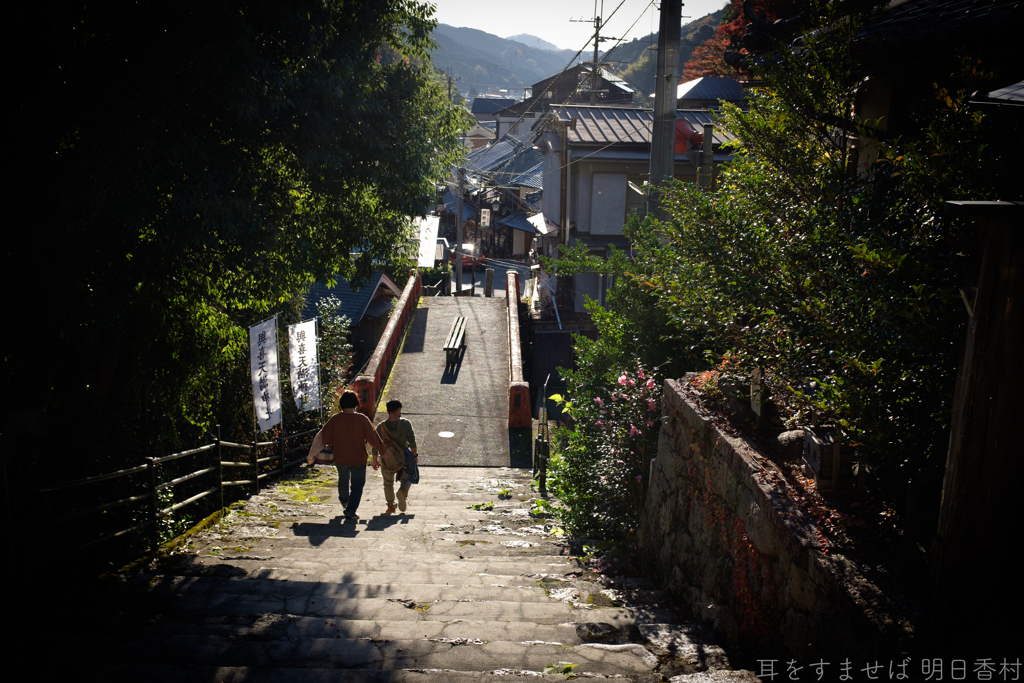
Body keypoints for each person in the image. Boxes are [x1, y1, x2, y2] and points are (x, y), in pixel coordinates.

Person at [314, 390, 385, 521]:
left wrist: (312, 454)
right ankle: (351, 510)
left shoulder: (335, 419)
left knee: (343, 481)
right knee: (357, 486)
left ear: (341, 404)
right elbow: (373, 437)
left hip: (341, 457)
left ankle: (345, 502)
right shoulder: (362, 419)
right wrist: (383, 450)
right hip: (359, 458)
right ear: (356, 404)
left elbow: (324, 437)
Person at [373, 399, 418, 514]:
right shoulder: (405, 424)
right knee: (408, 477)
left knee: (388, 484)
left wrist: (375, 460)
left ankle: (391, 507)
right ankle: (402, 492)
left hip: (387, 460)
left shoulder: (381, 427)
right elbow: (412, 442)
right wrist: (415, 455)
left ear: (387, 411)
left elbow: (375, 445)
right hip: (403, 460)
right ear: (398, 410)